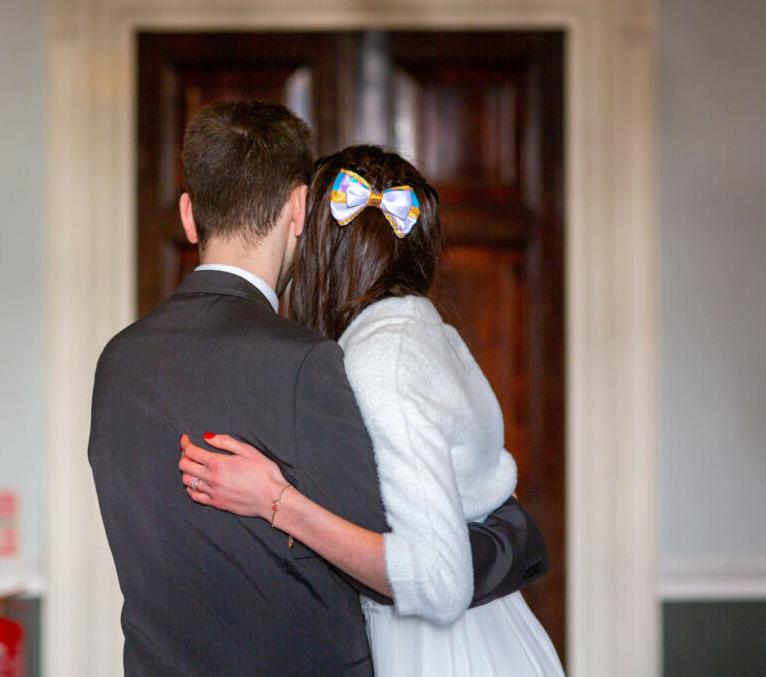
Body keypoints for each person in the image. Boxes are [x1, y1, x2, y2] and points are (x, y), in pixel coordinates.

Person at [89, 101, 548, 676]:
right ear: (299, 208)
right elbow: (404, 565)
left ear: (188, 215)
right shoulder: (312, 362)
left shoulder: (116, 363)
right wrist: (513, 535)